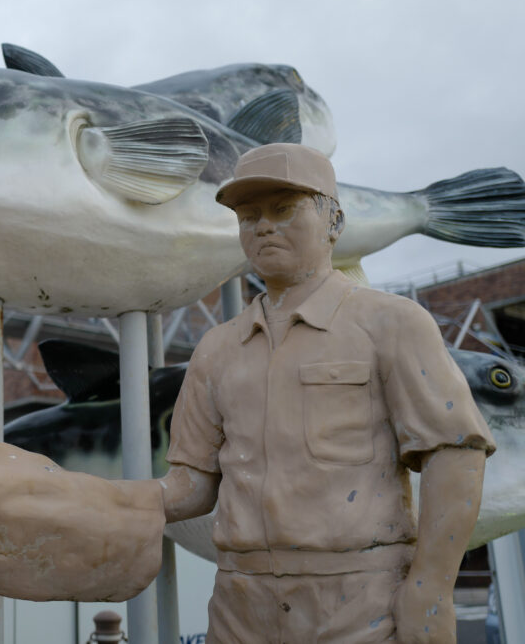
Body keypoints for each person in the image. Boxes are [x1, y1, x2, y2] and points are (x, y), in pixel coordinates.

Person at [160, 143, 495, 643]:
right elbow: (192, 485)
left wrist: (431, 584)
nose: (263, 226)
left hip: (359, 601)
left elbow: (456, 455)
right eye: (248, 216)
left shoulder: (391, 323)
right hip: (239, 602)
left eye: (283, 209)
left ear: (333, 222)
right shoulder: (216, 348)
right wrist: (98, 501)